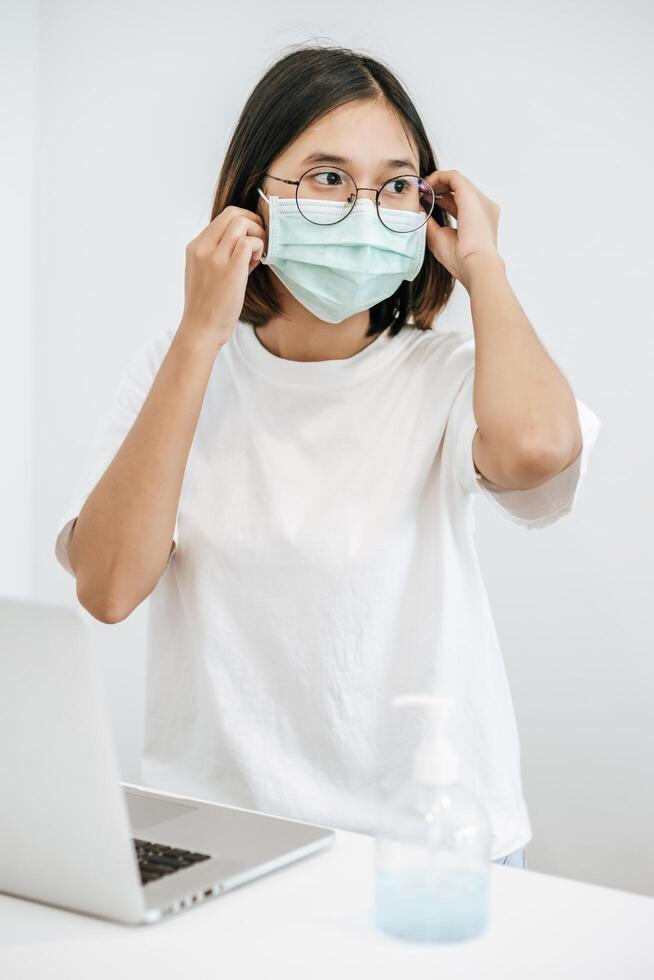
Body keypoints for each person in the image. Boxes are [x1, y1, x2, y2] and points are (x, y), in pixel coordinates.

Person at [54, 44, 601, 865]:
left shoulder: (446, 379)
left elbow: (535, 451)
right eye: (328, 177)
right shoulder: (180, 367)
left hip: (428, 851)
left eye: (394, 185)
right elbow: (107, 584)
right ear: (253, 201)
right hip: (223, 842)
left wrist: (484, 263)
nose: (363, 208)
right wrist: (202, 332)